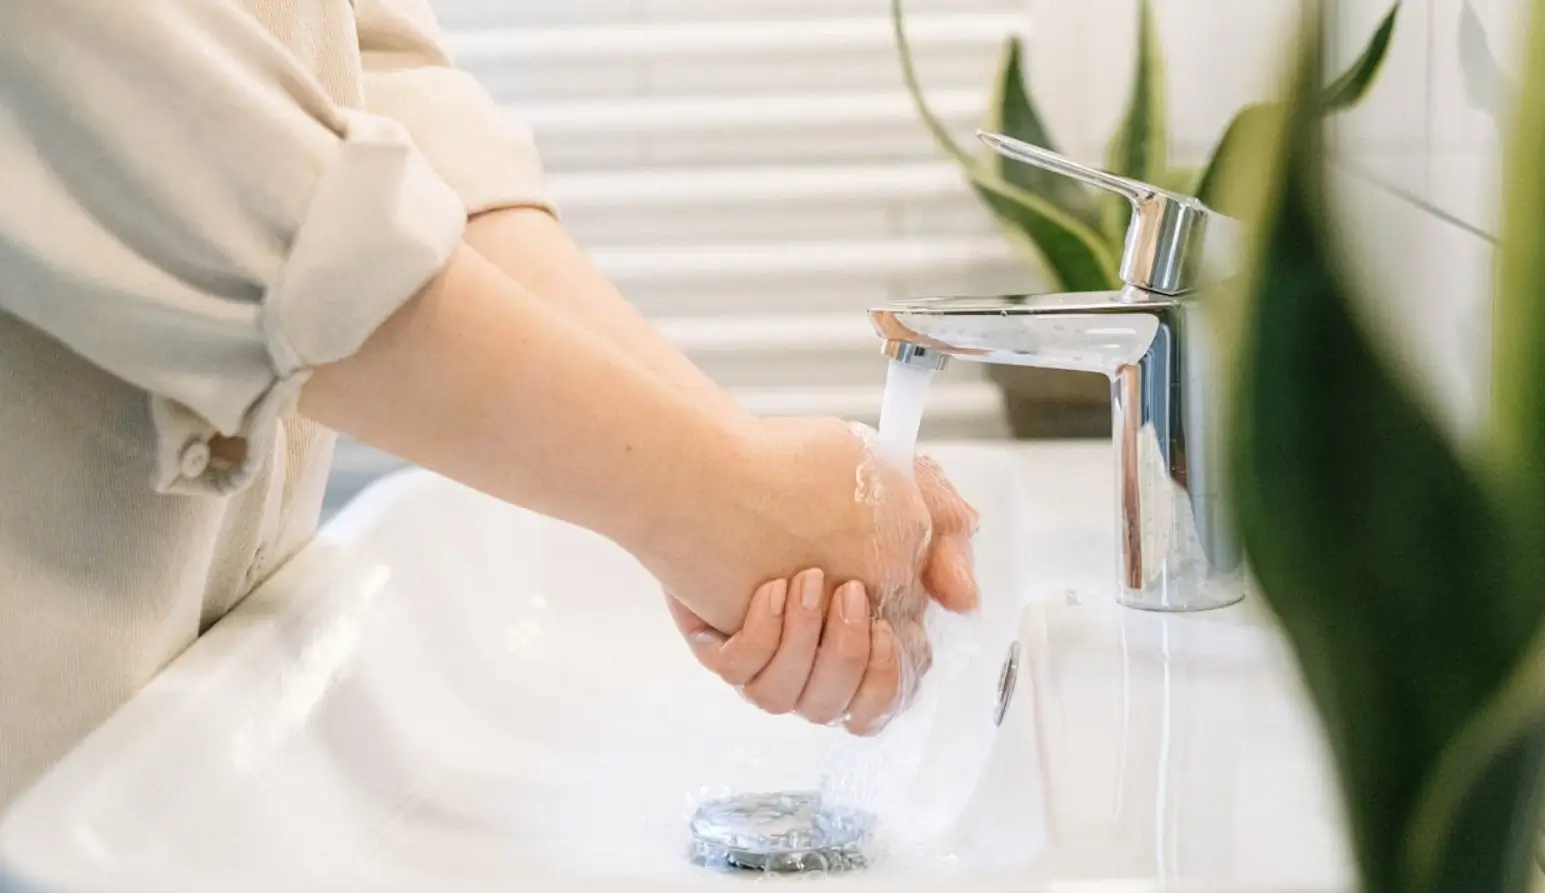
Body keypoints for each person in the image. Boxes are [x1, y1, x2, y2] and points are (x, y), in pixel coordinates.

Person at [0, 0, 981, 808]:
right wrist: (713, 494)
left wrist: (739, 471)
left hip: (174, 712)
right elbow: (106, 96)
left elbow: (379, 85)